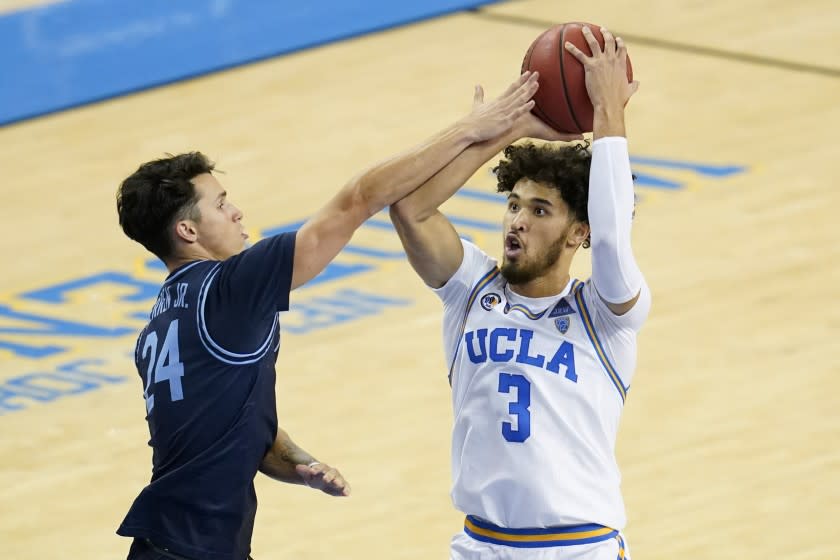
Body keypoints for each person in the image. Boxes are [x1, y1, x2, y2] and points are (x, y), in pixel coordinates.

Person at [113, 71, 553, 560]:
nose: (237, 212)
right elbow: (360, 198)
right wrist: (475, 130)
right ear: (188, 231)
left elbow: (221, 427)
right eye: (220, 205)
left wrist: (296, 460)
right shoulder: (229, 289)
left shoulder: (158, 325)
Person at [389, 27, 649, 559]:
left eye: (539, 210)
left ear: (580, 232)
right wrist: (501, 133)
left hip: (580, 548)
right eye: (514, 204)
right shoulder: (471, 292)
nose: (517, 221)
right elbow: (409, 209)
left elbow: (615, 236)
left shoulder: (605, 314)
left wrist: (608, 117)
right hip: (481, 544)